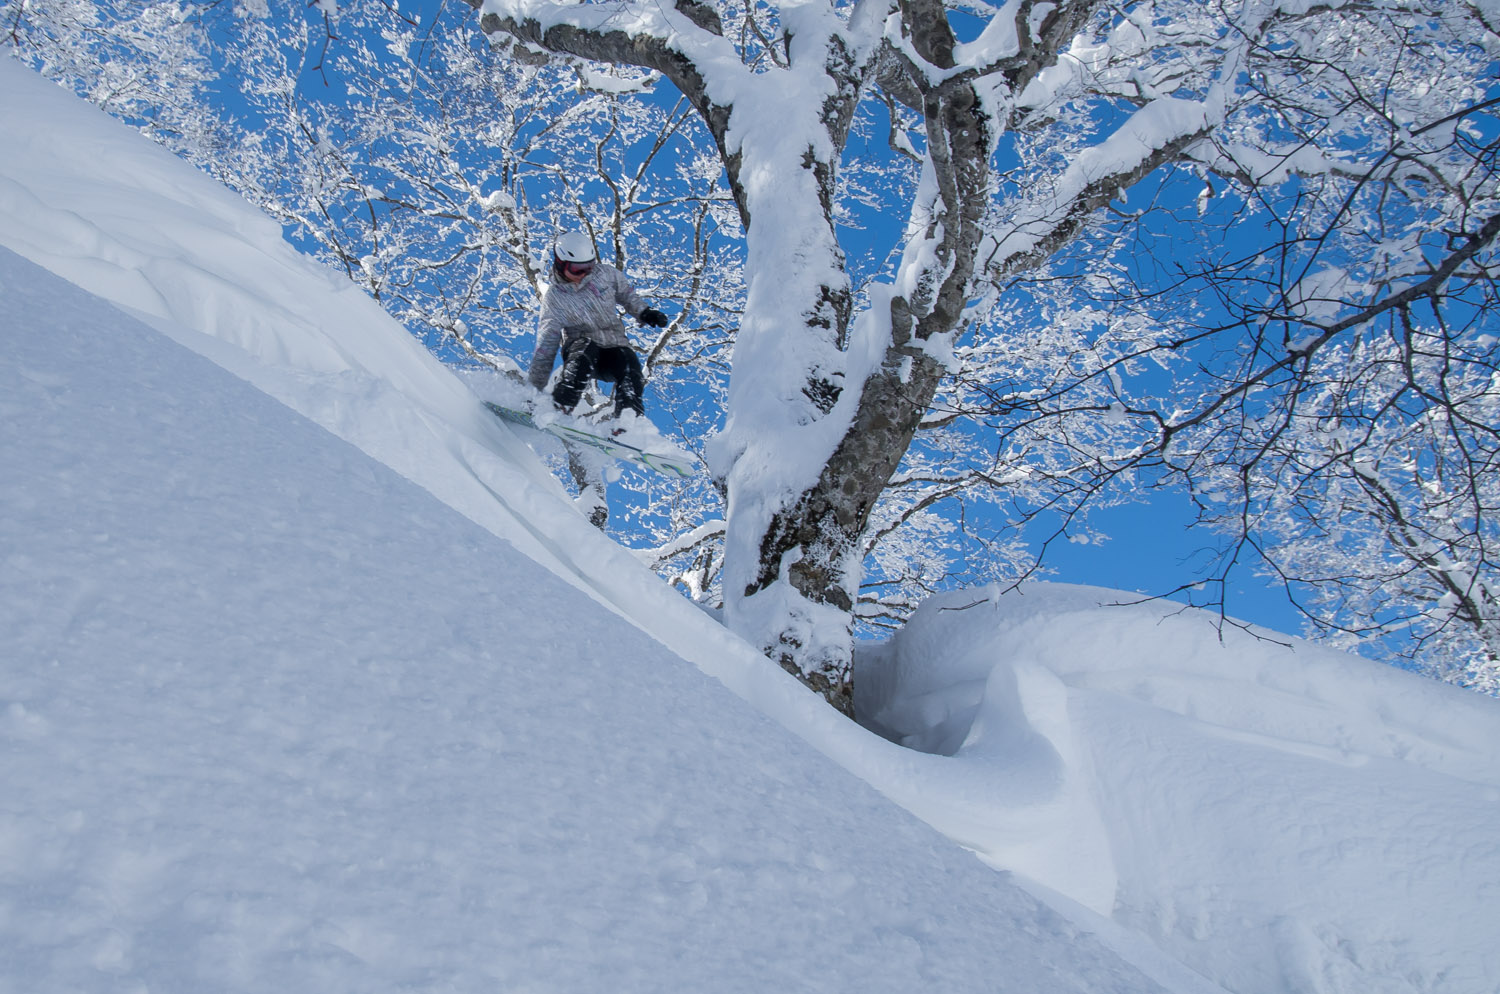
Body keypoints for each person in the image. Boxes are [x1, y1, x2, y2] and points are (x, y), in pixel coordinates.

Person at [526, 231, 669, 418]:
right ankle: (560, 405)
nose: (585, 274)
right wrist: (533, 389)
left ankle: (626, 423)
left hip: (613, 348)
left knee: (630, 367)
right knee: (585, 350)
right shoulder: (555, 298)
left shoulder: (606, 275)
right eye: (578, 270)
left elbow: (627, 294)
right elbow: (546, 345)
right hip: (582, 349)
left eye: (589, 267)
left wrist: (644, 312)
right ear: (561, 265)